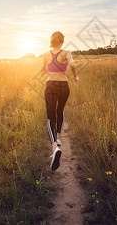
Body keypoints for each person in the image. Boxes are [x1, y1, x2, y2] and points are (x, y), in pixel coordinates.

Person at [40, 31, 79, 171]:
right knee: (60, 110)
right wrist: (75, 77)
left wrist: (48, 71)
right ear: (62, 41)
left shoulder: (45, 54)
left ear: (52, 41)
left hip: (51, 85)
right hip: (64, 86)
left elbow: (41, 71)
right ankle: (59, 137)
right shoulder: (67, 52)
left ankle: (55, 147)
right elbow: (73, 65)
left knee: (50, 117)